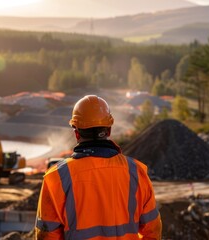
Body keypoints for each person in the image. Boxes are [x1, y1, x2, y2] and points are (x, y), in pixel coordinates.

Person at [35, 95, 162, 240]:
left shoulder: (56, 178)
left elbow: (46, 236)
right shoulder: (136, 172)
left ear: (76, 133)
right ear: (108, 131)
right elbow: (153, 231)